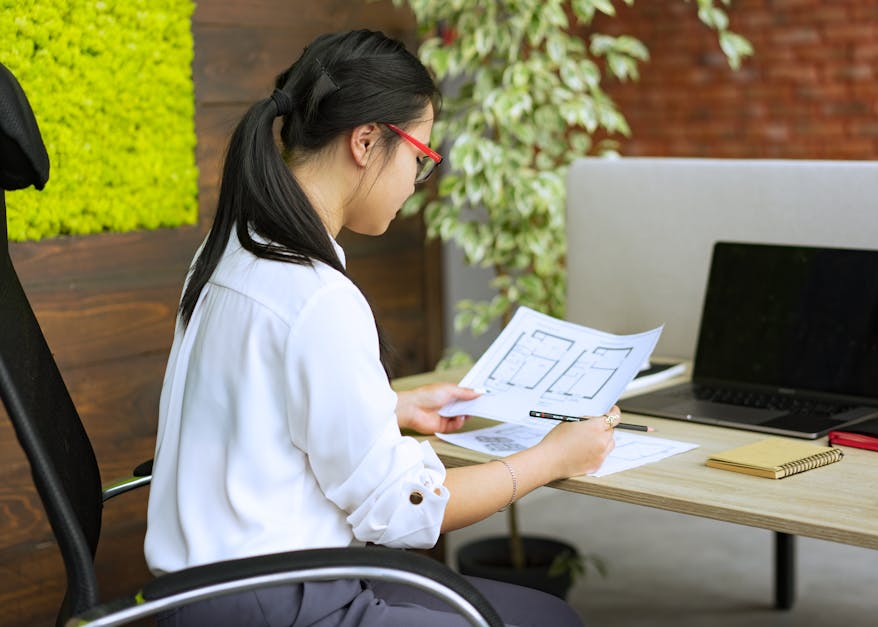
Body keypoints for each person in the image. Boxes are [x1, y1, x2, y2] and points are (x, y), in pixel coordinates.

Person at [145, 29, 622, 627]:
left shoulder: (230, 252)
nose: (415, 183)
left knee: (539, 611)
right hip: (284, 603)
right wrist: (552, 458)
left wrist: (387, 406)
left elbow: (251, 407)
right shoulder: (317, 297)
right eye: (419, 159)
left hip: (202, 596)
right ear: (367, 141)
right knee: (551, 621)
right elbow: (402, 510)